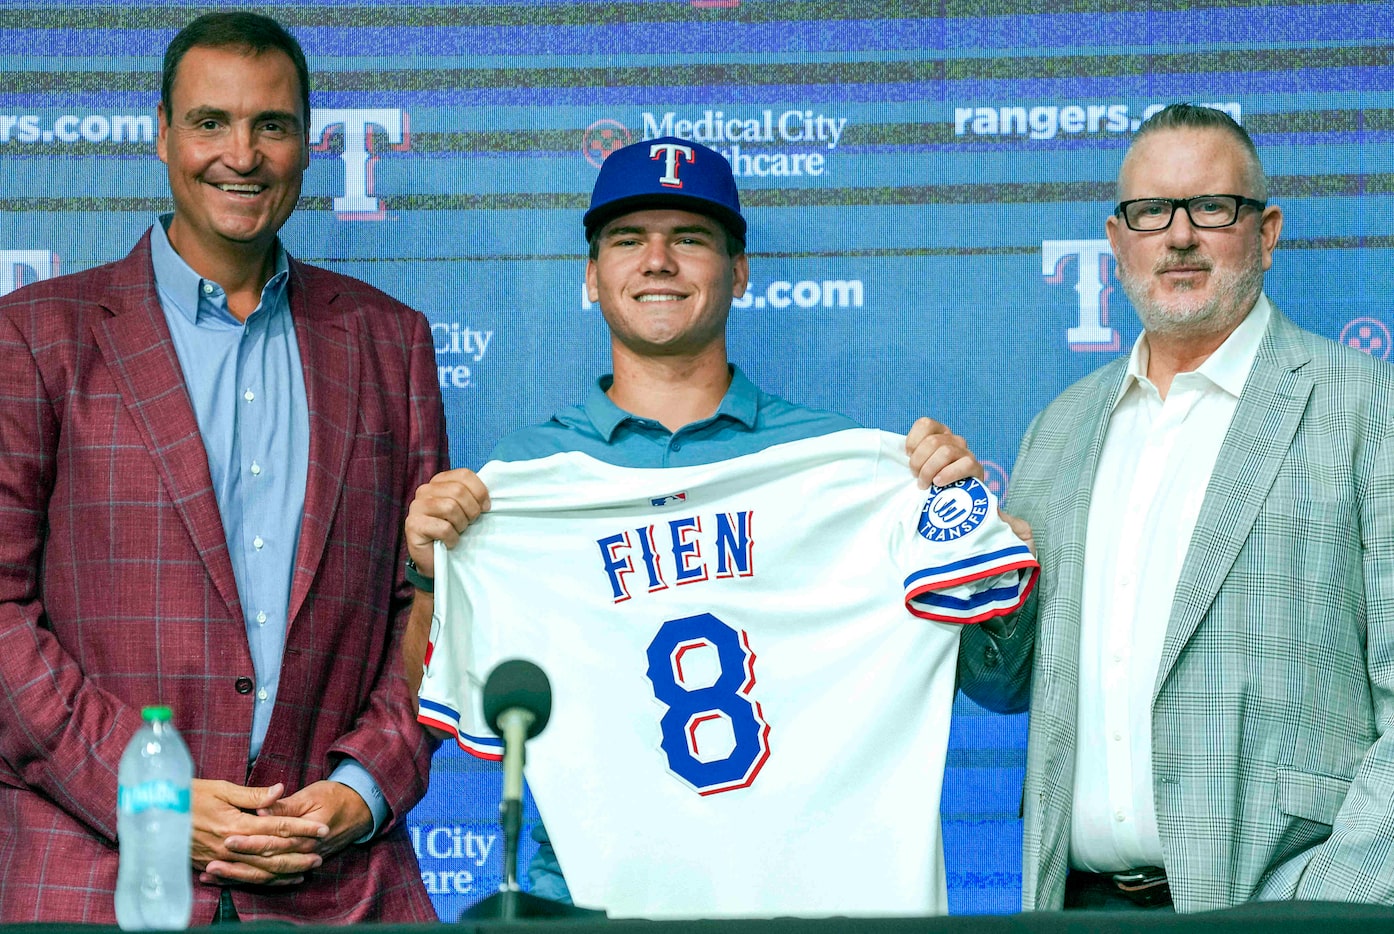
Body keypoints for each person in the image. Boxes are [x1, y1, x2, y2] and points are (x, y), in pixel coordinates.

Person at [403, 136, 1037, 918]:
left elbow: (999, 683)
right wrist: (431, 574)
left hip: (811, 908)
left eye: (690, 239)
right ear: (592, 275)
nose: (658, 261)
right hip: (587, 905)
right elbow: (428, 697)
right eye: (628, 240)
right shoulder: (520, 481)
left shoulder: (848, 469)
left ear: (739, 271)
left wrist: (958, 523)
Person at [0, 12, 444, 924]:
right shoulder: (36, 337)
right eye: (211, 122)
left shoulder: (389, 341)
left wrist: (364, 786)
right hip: (94, 881)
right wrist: (150, 794)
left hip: (336, 885)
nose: (241, 155)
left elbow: (432, 603)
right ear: (163, 134)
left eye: (270, 125)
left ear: (307, 144)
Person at [959, 103, 1394, 911]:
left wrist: (1325, 910)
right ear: (1118, 240)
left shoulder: (1367, 406)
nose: (1180, 236)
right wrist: (979, 574)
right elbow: (1004, 686)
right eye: (1151, 211)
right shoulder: (1060, 429)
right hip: (1077, 906)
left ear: (1266, 232)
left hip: (1280, 911)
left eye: (1213, 208)